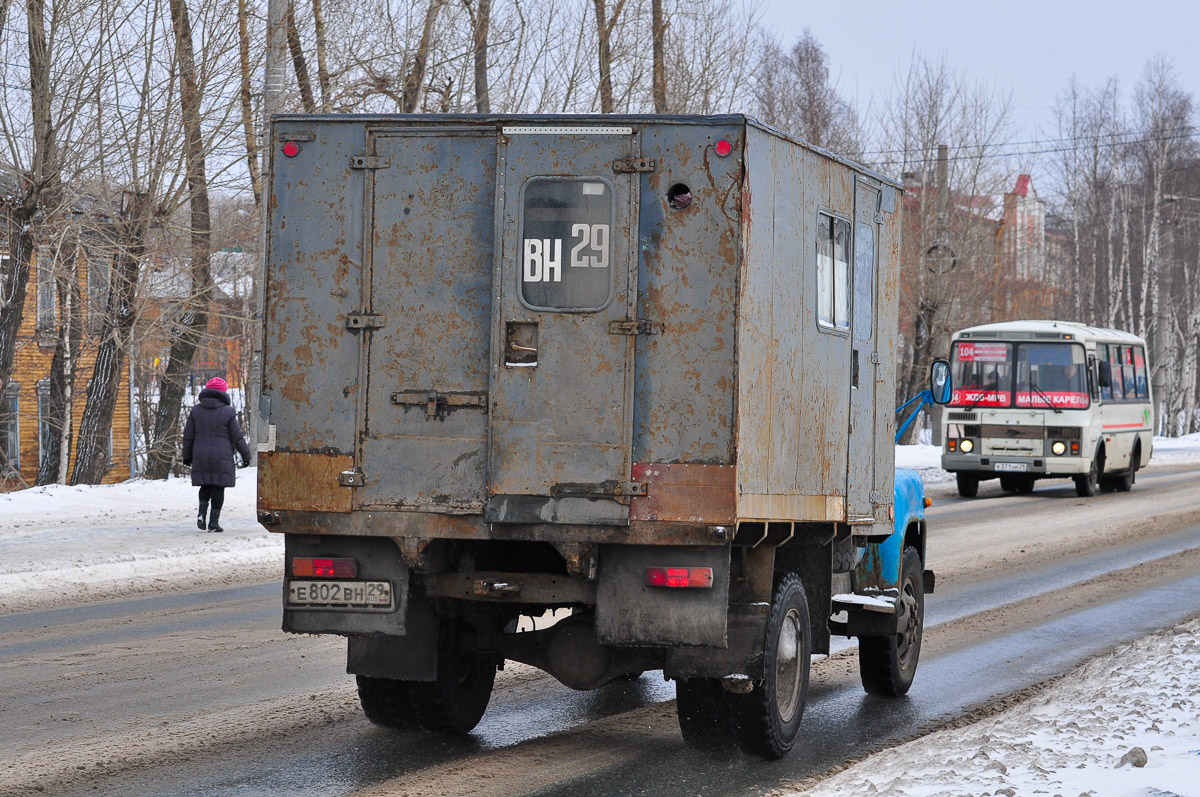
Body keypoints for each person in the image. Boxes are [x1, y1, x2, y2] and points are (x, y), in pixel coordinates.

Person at [182, 377, 251, 533]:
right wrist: (246, 456)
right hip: (222, 455)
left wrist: (186, 456)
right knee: (218, 487)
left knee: (205, 484)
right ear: (223, 392)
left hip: (201, 453)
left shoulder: (196, 411)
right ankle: (213, 522)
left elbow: (188, 436)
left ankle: (201, 514)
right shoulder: (228, 412)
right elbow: (237, 437)